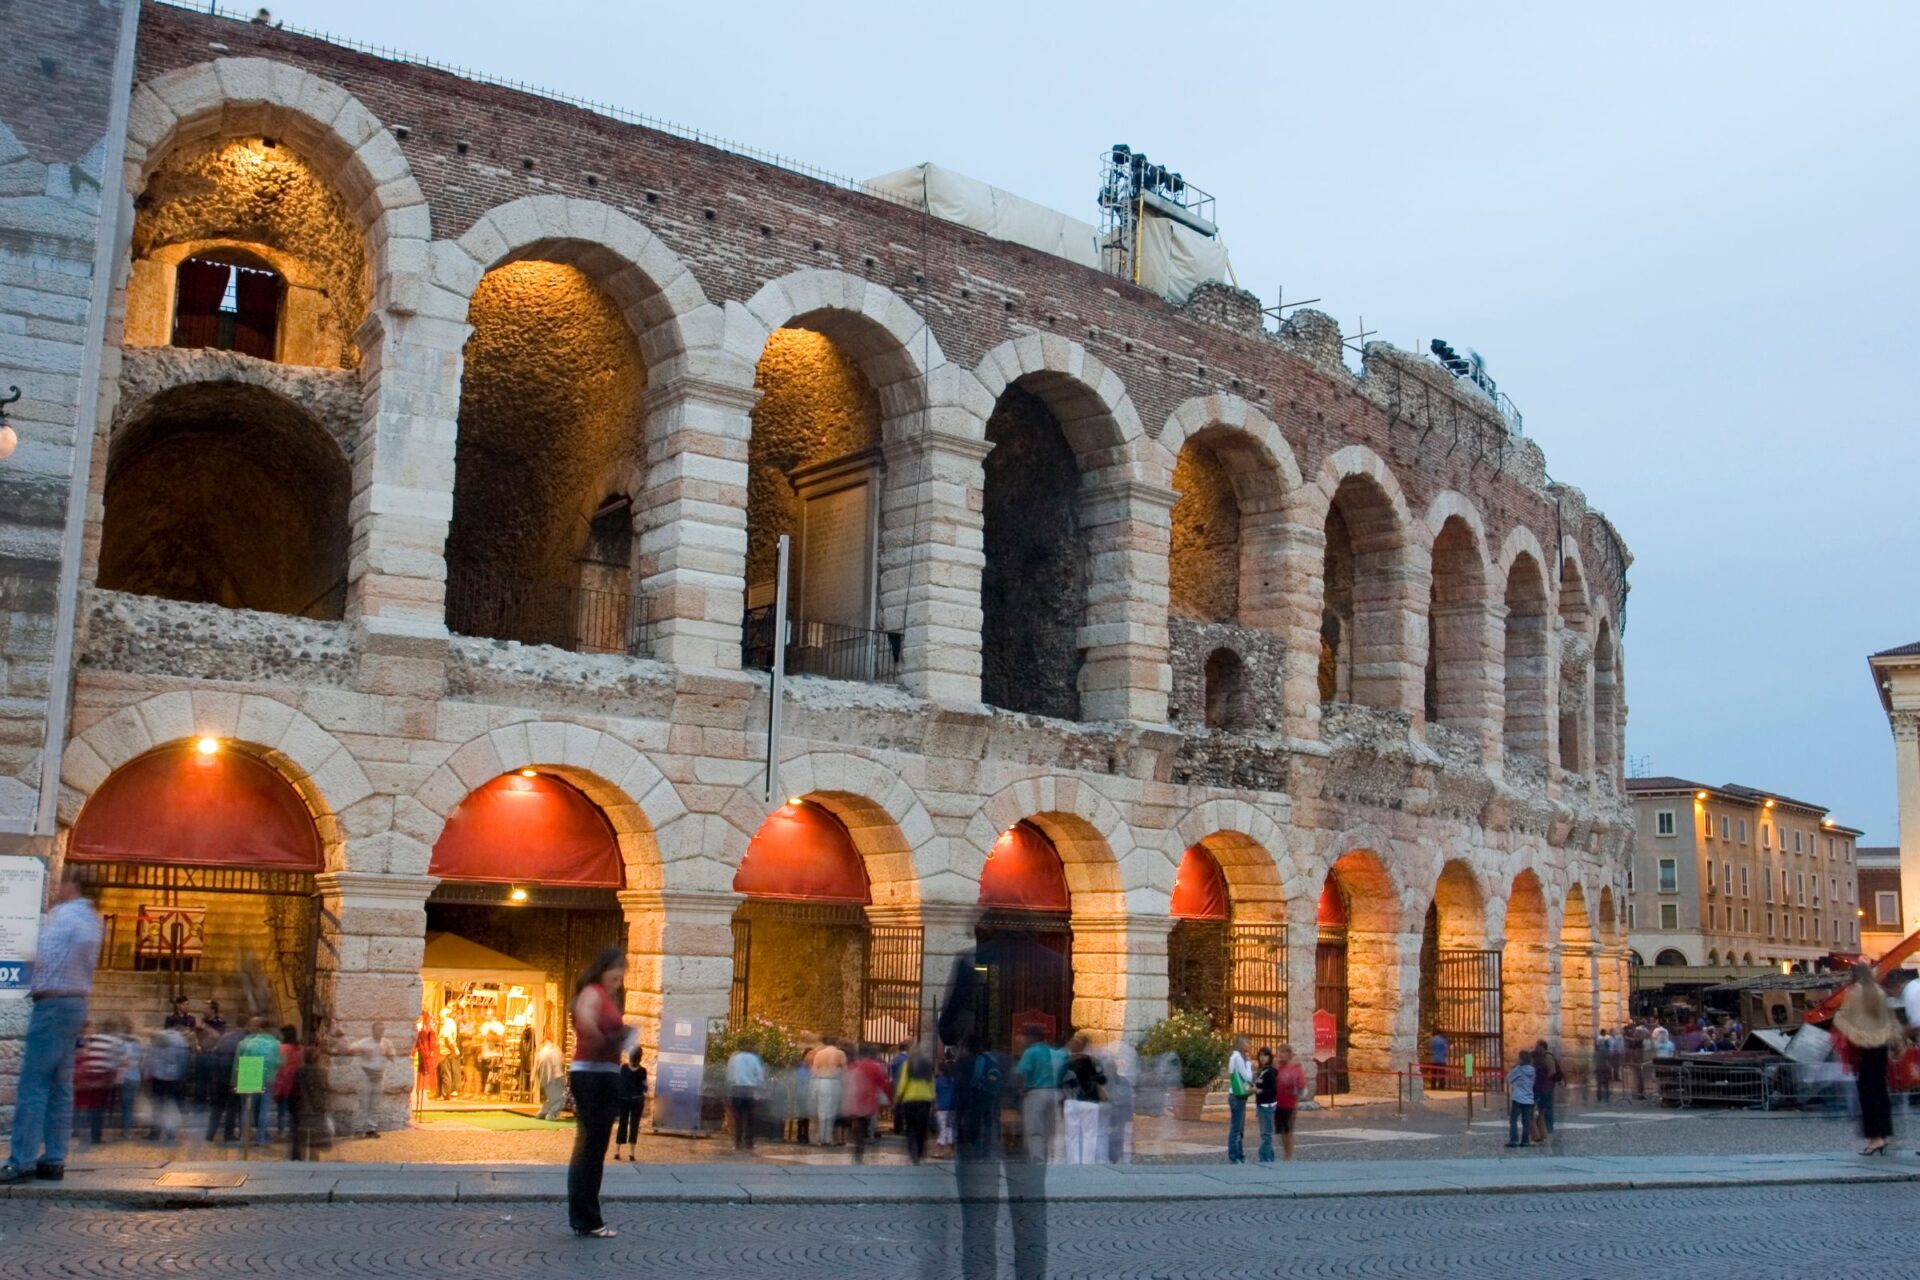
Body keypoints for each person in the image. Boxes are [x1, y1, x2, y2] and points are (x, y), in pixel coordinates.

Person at [1, 869, 103, 1184]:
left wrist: (28, 960)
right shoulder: (94, 920)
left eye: (62, 883)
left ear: (73, 885)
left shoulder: (63, 917)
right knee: (61, 1087)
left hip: (52, 1003)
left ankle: (22, 1159)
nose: (58, 889)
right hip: (75, 1003)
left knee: (34, 1084)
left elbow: (42, 957)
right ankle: (54, 1159)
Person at [566, 945, 628, 1238]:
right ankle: (587, 1217)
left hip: (603, 1073)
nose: (619, 982)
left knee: (593, 1146)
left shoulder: (605, 995)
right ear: (604, 969)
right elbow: (587, 1027)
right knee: (591, 1147)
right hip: (593, 1075)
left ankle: (585, 1216)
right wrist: (616, 1039)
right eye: (616, 976)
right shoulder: (592, 993)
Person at [1833, 962, 1902, 1155]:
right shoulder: (1879, 992)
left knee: (1867, 1093)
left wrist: (1854, 1033)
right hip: (1881, 1046)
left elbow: (1841, 1018)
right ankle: (1883, 1134)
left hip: (1864, 1047)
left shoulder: (1854, 992)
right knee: (1880, 1091)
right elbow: (1890, 1019)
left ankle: (1875, 1139)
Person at [1014, 1024, 1059, 1165]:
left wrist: (1020, 1089)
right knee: (1048, 1130)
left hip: (1036, 1093)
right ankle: (1047, 1158)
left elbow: (1021, 1072)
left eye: (1025, 1036)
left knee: (1035, 1131)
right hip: (1053, 1093)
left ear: (1031, 1037)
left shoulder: (1031, 1052)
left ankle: (1037, 1161)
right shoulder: (1051, 1050)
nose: (1023, 1039)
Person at [1060, 1033, 1106, 1164]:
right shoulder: (1094, 1061)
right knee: (1089, 1134)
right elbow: (1102, 1079)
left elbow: (1060, 1080)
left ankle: (1073, 1161)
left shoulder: (1067, 1062)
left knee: (1071, 1135)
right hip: (1090, 1101)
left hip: (1071, 1100)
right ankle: (1088, 1162)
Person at [235, 1018, 282, 1145]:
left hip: (250, 1075)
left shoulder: (249, 1043)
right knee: (264, 1110)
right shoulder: (276, 1044)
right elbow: (280, 1062)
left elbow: (242, 1060)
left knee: (246, 1109)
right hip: (268, 1077)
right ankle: (260, 1138)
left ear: (260, 1029)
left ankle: (243, 1138)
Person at [842, 1047, 893, 1163]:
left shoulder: (854, 1065)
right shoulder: (874, 1067)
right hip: (866, 1102)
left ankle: (857, 1144)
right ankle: (859, 1151)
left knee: (858, 1124)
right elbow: (883, 1083)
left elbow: (846, 1081)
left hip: (853, 1101)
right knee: (863, 1125)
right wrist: (891, 1098)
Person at [72, 1021, 120, 1145]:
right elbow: (115, 1061)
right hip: (102, 1077)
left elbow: (84, 1054)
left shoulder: (91, 1039)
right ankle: (95, 1136)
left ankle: (84, 1134)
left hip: (89, 1075)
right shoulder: (113, 1041)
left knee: (89, 1107)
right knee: (98, 1109)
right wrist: (112, 1078)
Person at [204, 1020, 246, 1142]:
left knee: (217, 1108)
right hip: (232, 1079)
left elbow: (214, 1056)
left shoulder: (224, 1038)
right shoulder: (243, 1041)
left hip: (218, 1078)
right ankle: (229, 1135)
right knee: (232, 1109)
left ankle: (210, 1134)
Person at [347, 1022, 391, 1137]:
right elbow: (350, 1048)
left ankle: (371, 1128)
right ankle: (358, 1128)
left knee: (375, 1104)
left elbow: (391, 1054)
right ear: (373, 1031)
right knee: (364, 1104)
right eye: (378, 1030)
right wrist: (363, 1050)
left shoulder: (386, 1043)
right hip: (366, 1076)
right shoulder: (365, 1042)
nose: (380, 1033)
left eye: (382, 1030)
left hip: (379, 1076)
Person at [147, 1021, 188, 1144]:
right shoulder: (181, 1039)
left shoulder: (158, 1036)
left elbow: (151, 1056)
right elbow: (183, 1059)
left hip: (158, 1075)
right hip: (174, 1077)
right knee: (170, 1105)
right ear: (175, 1026)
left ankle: (155, 1132)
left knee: (157, 1105)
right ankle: (171, 1134)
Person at [289, 1037, 330, 1161]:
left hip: (302, 1106)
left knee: (302, 1137)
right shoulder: (321, 1072)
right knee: (315, 1138)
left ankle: (301, 1159)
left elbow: (295, 1088)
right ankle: (313, 1160)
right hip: (316, 1107)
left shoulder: (299, 1071)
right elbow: (325, 1087)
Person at [897, 1046, 936, 1163]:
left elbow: (903, 1082)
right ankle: (919, 1152)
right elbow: (931, 1082)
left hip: (910, 1099)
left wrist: (898, 1097)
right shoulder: (928, 1065)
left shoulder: (907, 1065)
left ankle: (912, 1151)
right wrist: (934, 1098)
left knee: (910, 1127)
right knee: (922, 1127)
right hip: (925, 1099)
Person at [724, 1042, 764, 1152]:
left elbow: (729, 1075)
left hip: (737, 1089)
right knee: (750, 1118)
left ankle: (738, 1143)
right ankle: (749, 1143)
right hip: (750, 1090)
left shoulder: (735, 1058)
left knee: (738, 1118)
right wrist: (758, 1085)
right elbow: (760, 1075)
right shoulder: (754, 1058)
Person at [809, 1037, 847, 1147]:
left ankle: (821, 1137)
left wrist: (813, 1088)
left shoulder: (819, 1054)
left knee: (822, 1110)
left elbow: (814, 1071)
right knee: (832, 1111)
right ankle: (828, 1138)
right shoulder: (840, 1054)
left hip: (821, 1082)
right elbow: (845, 1070)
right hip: (835, 1082)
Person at [1272, 1045, 1307, 1161]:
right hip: (1278, 1103)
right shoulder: (1277, 1068)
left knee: (1288, 1130)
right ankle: (1286, 1153)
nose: (1281, 1054)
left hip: (1290, 1104)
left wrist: (1294, 1089)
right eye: (1280, 1051)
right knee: (1281, 1130)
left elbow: (1301, 1087)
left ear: (1289, 1054)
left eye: (1283, 1052)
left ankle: (1289, 1155)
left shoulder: (1295, 1069)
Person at [614, 1045, 649, 1159]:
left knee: (622, 1124)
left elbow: (618, 1083)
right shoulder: (643, 1071)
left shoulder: (623, 1068)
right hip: (637, 1100)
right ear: (640, 1057)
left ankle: (617, 1151)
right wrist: (643, 1093)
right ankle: (631, 1152)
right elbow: (645, 1086)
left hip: (623, 1099)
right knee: (634, 1125)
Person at [1224, 1034, 1253, 1164]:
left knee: (1238, 1127)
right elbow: (1247, 1077)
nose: (1250, 1045)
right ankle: (1235, 1155)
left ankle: (1239, 1154)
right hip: (1238, 1095)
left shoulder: (1233, 1057)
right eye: (1248, 1042)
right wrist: (1249, 1064)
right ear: (1242, 1043)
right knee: (1237, 1128)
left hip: (1234, 1094)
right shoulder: (1239, 1059)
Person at [272, 1026, 303, 1140]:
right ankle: (294, 1130)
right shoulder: (299, 1048)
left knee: (282, 1109)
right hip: (295, 1080)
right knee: (294, 1109)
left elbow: (282, 1063)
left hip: (284, 1081)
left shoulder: (283, 1048)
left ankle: (281, 1131)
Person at [1252, 1047, 1279, 1163]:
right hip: (1261, 1105)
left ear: (1270, 1057)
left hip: (1268, 1105)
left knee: (1266, 1134)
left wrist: (1260, 1091)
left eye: (1265, 1055)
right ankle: (1270, 1158)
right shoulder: (1261, 1071)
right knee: (1265, 1133)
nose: (1262, 1058)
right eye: (1261, 1055)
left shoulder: (1270, 1073)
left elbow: (1273, 1090)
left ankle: (1263, 1157)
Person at [1506, 1049, 1536, 1148]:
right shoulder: (1533, 1070)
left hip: (1518, 1097)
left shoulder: (1518, 1069)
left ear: (1521, 1059)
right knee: (1526, 1121)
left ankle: (1514, 1140)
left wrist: (1515, 1069)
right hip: (1529, 1098)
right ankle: (1525, 1140)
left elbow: (1508, 1078)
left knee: (1513, 1119)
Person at [1532, 1039, 1562, 1136]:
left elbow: (1552, 1071)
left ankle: (1548, 1127)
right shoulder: (1540, 1057)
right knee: (1542, 1108)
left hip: (1547, 1086)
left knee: (1547, 1108)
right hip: (1543, 1086)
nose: (1535, 1048)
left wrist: (1545, 1079)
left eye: (1537, 1046)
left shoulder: (1547, 1057)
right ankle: (1544, 1128)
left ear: (1541, 1047)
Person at [533, 1037, 567, 1120]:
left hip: (546, 1079)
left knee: (552, 1098)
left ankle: (542, 1113)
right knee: (559, 1098)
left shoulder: (541, 1052)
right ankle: (551, 1115)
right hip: (554, 1078)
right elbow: (558, 1064)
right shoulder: (553, 1050)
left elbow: (537, 1068)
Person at [933, 1048, 958, 1157]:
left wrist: (934, 1107)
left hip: (942, 1107)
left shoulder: (938, 1081)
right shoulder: (952, 1081)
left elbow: (934, 1095)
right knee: (950, 1128)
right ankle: (952, 1150)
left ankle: (940, 1151)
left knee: (942, 1128)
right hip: (952, 1107)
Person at [1594, 1029, 1613, 1103]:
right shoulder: (1606, 1050)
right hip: (1604, 1067)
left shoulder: (1597, 1051)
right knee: (1605, 1083)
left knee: (1599, 1083)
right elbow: (1608, 1058)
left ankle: (1599, 1096)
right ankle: (1606, 1096)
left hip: (1599, 1067)